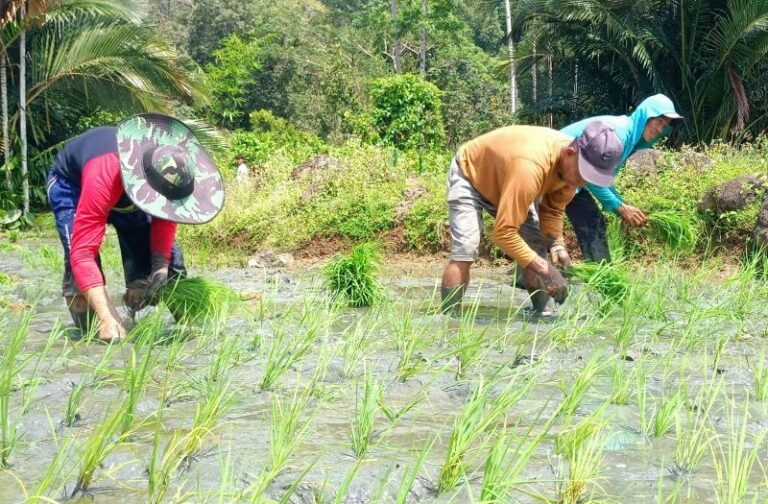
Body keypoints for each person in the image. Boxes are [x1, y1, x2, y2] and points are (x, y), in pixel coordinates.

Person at [47, 113, 225, 342]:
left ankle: (187, 329)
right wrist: (107, 317)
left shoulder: (164, 176)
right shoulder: (104, 174)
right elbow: (83, 254)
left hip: (127, 188)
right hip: (74, 186)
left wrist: (159, 267)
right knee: (78, 274)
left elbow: (165, 219)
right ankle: (93, 336)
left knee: (167, 268)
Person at [440, 121, 624, 315]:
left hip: (509, 183)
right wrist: (547, 270)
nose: (583, 181)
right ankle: (449, 319)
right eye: (584, 173)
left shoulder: (572, 171)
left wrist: (556, 244)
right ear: (570, 152)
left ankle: (539, 313)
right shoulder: (531, 166)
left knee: (536, 247)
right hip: (471, 174)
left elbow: (553, 209)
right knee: (466, 248)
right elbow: (503, 233)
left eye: (592, 177)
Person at [561, 94, 683, 262]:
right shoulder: (620, 134)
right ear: (646, 115)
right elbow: (592, 176)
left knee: (593, 221)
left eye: (665, 126)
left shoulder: (630, 140)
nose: (660, 129)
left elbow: (602, 178)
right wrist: (619, 207)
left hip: (573, 180)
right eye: (659, 121)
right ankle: (530, 280)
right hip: (555, 170)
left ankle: (602, 279)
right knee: (538, 227)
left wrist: (623, 205)